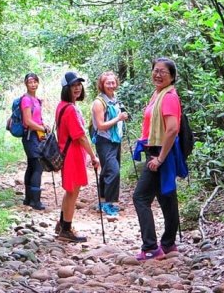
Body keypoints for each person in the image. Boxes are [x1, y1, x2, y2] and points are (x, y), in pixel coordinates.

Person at [131, 57, 188, 260]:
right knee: (166, 197)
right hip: (155, 149)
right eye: (155, 70)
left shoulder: (169, 97)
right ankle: (169, 243)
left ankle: (151, 247)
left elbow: (172, 129)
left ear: (172, 76)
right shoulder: (158, 94)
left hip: (161, 152)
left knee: (140, 198)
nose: (158, 74)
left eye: (163, 71)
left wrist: (160, 158)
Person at [55, 71, 100, 243]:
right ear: (66, 88)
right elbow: (80, 136)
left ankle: (62, 224)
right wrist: (93, 156)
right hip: (72, 155)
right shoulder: (70, 109)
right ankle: (66, 230)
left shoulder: (62, 106)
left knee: (70, 191)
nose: (77, 88)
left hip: (66, 153)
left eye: (79, 85)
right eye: (73, 85)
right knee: (73, 192)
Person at [91, 71, 128, 218]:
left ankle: (102, 201)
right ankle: (109, 204)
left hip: (115, 140)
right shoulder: (99, 102)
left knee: (107, 170)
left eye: (113, 82)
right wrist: (119, 118)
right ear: (102, 85)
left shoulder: (114, 99)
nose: (111, 85)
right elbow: (100, 125)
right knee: (114, 171)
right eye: (108, 83)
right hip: (104, 141)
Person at [19, 72, 49, 210]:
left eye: (35, 81)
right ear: (26, 83)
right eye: (30, 82)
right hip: (30, 136)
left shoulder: (36, 99)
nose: (33, 84)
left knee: (32, 166)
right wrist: (42, 128)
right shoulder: (26, 100)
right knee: (37, 166)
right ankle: (35, 201)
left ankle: (28, 199)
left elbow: (36, 118)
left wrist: (44, 125)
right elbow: (28, 121)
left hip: (36, 135)